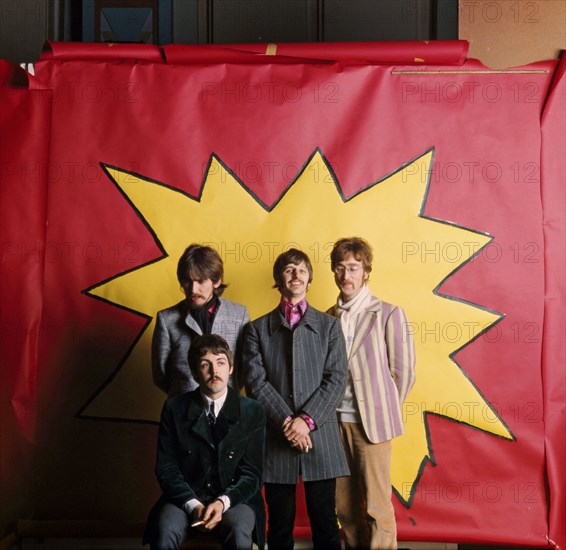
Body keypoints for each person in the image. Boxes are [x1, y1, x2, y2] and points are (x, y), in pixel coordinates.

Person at [241, 248, 349, 550]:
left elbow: (336, 378)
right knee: (279, 525)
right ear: (279, 278)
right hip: (277, 439)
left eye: (302, 270)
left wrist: (306, 421)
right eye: (289, 269)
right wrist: (289, 423)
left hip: (320, 437)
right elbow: (256, 382)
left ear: (310, 278)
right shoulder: (256, 330)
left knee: (326, 522)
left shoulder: (329, 326)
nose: (296, 275)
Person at [327, 237, 416, 550]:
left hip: (372, 426)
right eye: (339, 269)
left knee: (377, 507)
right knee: (345, 508)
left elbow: (404, 373)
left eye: (353, 268)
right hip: (335, 424)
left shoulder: (389, 314)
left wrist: (383, 407)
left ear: (366, 271)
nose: (345, 275)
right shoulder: (328, 317)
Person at [144, 334, 266, 550]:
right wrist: (193, 505)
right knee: (164, 530)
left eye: (220, 363)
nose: (214, 371)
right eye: (205, 365)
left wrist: (222, 502)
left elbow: (253, 473)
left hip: (234, 499)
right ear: (194, 373)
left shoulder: (252, 411)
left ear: (230, 368)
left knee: (239, 533)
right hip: (186, 498)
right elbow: (166, 468)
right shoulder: (174, 408)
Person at [152, 244, 249, 397]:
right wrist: (183, 393)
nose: (193, 289)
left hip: (226, 408)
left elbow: (244, 369)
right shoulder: (166, 318)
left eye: (201, 281)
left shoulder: (239, 314)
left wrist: (221, 393)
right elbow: (160, 375)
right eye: (187, 281)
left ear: (216, 281)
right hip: (183, 411)